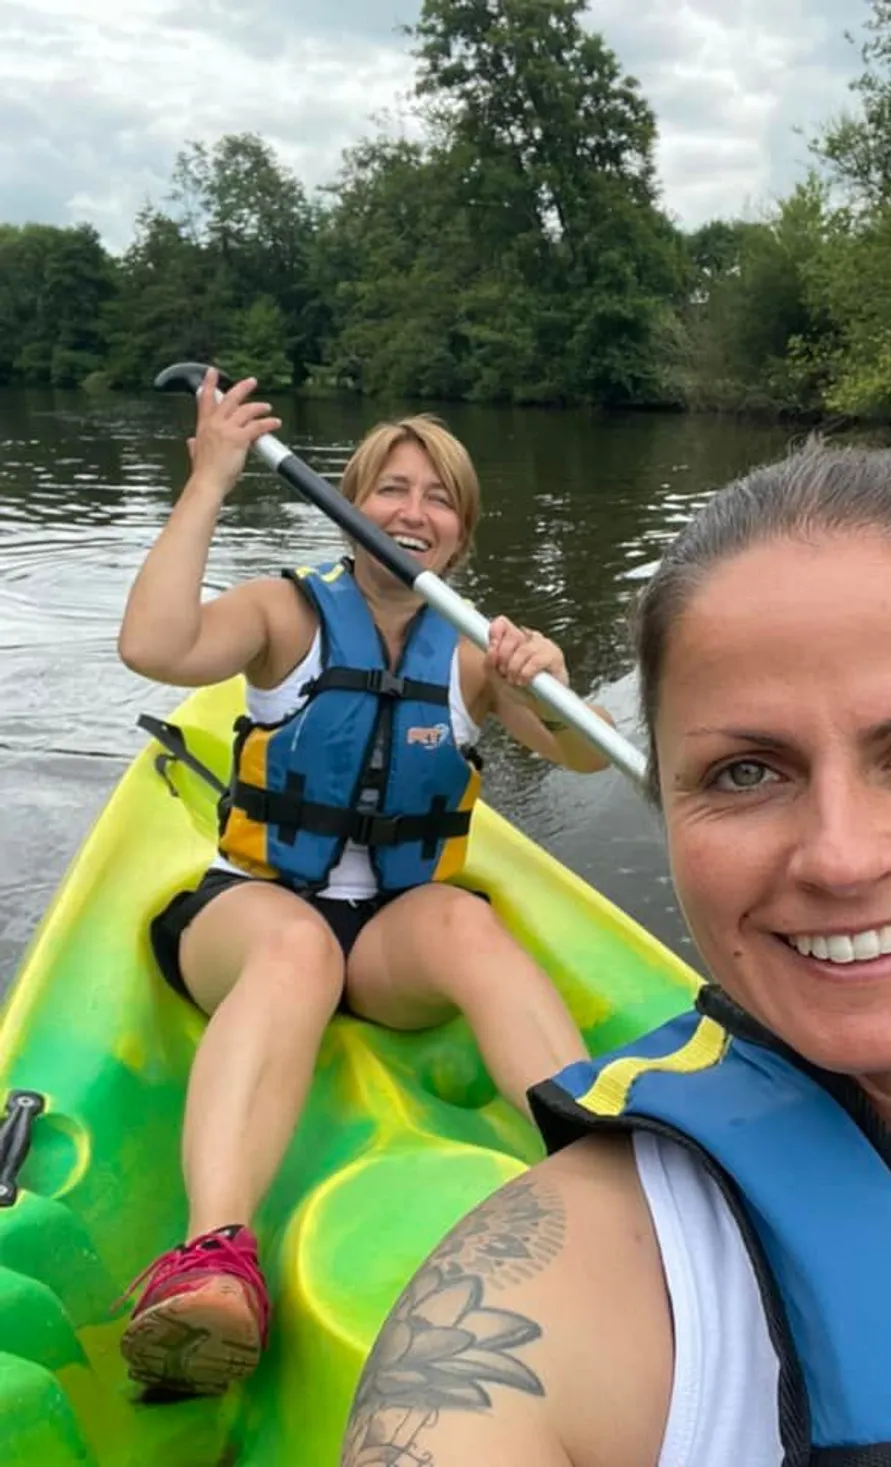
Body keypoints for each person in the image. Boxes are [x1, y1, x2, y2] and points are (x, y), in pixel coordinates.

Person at [339, 441, 891, 1467]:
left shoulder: (469, 656)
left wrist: (530, 686)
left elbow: (553, 734)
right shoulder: (549, 1302)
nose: (839, 857)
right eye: (745, 771)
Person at [116, 370, 611, 1398]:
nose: (413, 512)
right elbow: (153, 647)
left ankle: (607, 1180)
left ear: (460, 538)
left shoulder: (477, 657)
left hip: (384, 936)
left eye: (439, 499)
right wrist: (208, 477)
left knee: (468, 929)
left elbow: (580, 759)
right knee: (295, 946)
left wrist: (547, 681)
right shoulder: (283, 614)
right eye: (391, 489)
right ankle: (211, 1257)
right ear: (347, 506)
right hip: (250, 914)